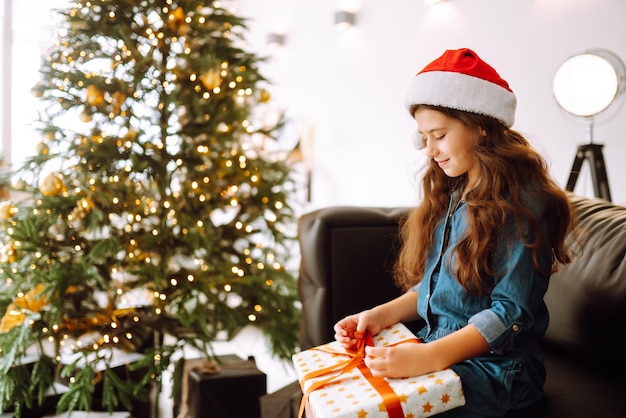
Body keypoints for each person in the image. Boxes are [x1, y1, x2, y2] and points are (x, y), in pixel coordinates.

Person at [334, 48, 577, 417]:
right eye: (423, 137)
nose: (429, 150)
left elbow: (510, 312)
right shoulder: (453, 193)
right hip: (440, 352)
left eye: (439, 135)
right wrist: (379, 315)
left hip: (500, 373)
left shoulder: (526, 202)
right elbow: (438, 289)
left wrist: (427, 357)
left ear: (480, 124)